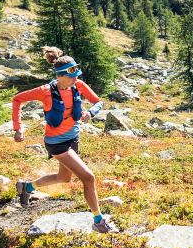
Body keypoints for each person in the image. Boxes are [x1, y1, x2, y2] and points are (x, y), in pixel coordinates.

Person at [11, 46, 118, 233]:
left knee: (63, 178)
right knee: (88, 177)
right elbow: (17, 99)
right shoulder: (45, 91)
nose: (76, 79)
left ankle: (26, 187)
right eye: (72, 76)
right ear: (59, 76)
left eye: (77, 75)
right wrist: (18, 128)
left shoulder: (78, 86)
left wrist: (91, 113)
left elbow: (98, 102)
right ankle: (98, 221)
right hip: (56, 142)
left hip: (72, 138)